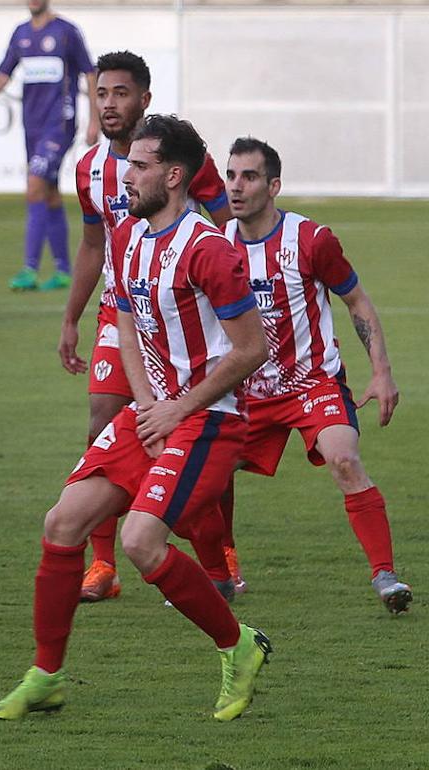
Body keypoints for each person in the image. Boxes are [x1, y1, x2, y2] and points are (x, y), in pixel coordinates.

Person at [0, 115, 272, 723]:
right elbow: (127, 324)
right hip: (155, 413)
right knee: (62, 522)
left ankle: (238, 646)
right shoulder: (128, 237)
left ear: (172, 176)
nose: (126, 175)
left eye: (139, 166)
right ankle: (45, 677)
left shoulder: (208, 249)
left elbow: (252, 348)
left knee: (140, 541)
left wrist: (178, 407)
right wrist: (145, 407)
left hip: (210, 417)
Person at [58, 51, 233, 602]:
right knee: (104, 415)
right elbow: (91, 245)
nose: (110, 104)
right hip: (122, 309)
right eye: (102, 94)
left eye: (121, 94)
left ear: (144, 100)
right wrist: (70, 317)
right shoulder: (89, 168)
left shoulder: (177, 156)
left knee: (198, 421)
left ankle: (218, 549)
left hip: (181, 305)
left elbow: (226, 227)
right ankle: (103, 564)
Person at [223, 137, 411, 614]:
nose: (236, 187)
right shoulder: (217, 245)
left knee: (344, 459)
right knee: (207, 472)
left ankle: (385, 576)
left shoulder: (311, 240)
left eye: (248, 177)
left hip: (313, 384)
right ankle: (221, 571)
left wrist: (382, 372)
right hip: (248, 391)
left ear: (274, 185)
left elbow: (357, 301)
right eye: (230, 176)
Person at [0, 0, 99, 291]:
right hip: (32, 126)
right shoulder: (20, 33)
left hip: (59, 124)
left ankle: (30, 268)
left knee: (34, 185)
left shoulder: (66, 32)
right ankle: (64, 270)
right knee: (49, 193)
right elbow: (5, 73)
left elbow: (90, 72)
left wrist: (94, 120)